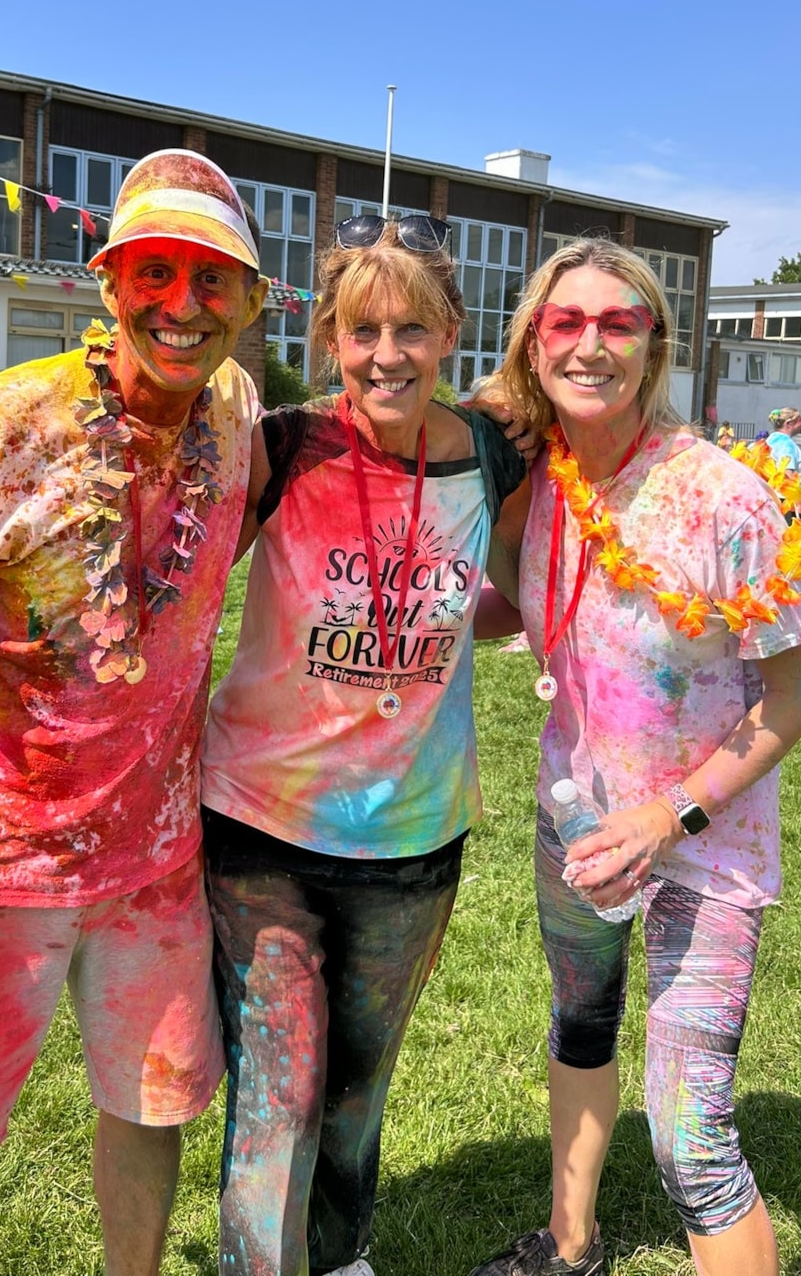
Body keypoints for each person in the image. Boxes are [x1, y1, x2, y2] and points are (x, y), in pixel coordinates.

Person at [0, 149, 268, 1276]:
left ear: (251, 302)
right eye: (155, 271)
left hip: (154, 860)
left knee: (154, 1107)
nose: (182, 305)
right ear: (108, 280)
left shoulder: (237, 412)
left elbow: (235, 537)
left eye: (212, 279)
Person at [469, 238, 801, 1276]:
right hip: (576, 826)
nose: (590, 344)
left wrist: (667, 815)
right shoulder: (537, 485)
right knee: (580, 1024)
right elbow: (526, 604)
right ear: (534, 344)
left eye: (617, 322)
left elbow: (799, 692)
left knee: (691, 1136)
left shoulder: (721, 498)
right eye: (566, 321)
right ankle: (569, 1244)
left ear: (654, 343)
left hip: (700, 850)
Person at [201, 216, 526, 1276]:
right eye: (363, 331)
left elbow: (524, 593)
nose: (388, 355)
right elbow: (184, 587)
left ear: (450, 335)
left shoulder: (490, 457)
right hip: (261, 826)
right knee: (279, 1093)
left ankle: (342, 1256)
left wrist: (437, 623)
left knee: (355, 1092)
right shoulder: (286, 444)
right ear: (331, 339)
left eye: (412, 329)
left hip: (415, 838)